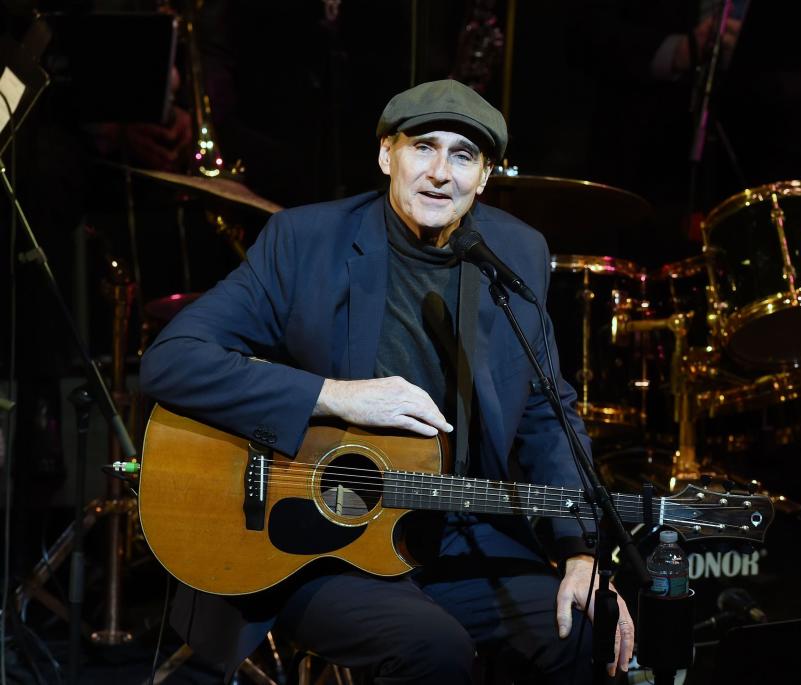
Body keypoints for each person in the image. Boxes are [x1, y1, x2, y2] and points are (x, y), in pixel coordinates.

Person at [139, 79, 634, 683]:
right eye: (423, 147)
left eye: (462, 155)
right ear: (385, 155)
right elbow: (172, 360)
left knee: (581, 634)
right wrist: (338, 396)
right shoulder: (307, 242)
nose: (439, 173)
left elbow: (547, 410)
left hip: (460, 532)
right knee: (432, 650)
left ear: (483, 177)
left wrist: (581, 548)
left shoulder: (516, 254)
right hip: (324, 545)